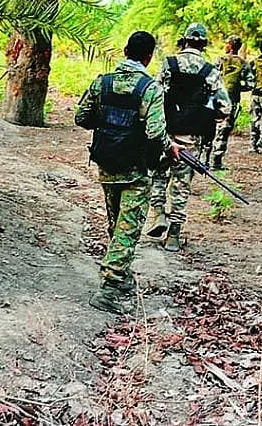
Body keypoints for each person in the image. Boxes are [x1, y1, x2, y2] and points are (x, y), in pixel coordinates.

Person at [75, 32, 175, 314]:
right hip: (135, 169)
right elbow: (155, 132)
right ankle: (109, 289)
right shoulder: (150, 89)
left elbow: (82, 117)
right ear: (148, 56)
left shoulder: (102, 83)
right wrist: (169, 148)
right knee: (128, 228)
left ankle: (121, 275)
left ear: (125, 50)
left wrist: (108, 122)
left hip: (107, 163)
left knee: (117, 224)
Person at [147, 23, 229, 252]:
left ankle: (158, 215)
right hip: (191, 137)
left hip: (164, 133)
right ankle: (173, 235)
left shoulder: (169, 64)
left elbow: (154, 94)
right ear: (203, 44)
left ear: (184, 41)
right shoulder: (210, 71)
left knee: (158, 176)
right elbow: (225, 107)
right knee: (181, 185)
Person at [211, 35, 247, 170]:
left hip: (215, 99)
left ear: (231, 46)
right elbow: (250, 83)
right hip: (232, 100)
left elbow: (210, 77)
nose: (225, 45)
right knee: (225, 130)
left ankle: (205, 157)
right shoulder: (243, 63)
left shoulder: (220, 60)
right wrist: (237, 87)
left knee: (210, 127)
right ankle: (217, 161)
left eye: (227, 43)